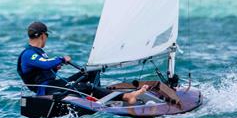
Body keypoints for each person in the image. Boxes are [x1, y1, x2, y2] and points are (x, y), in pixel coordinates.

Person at [16, 21, 148, 104]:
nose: (47, 39)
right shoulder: (28, 54)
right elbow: (45, 63)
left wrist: (55, 68)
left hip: (54, 84)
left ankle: (98, 99)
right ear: (43, 35)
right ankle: (126, 96)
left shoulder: (38, 52)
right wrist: (61, 59)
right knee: (87, 86)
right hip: (45, 89)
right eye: (47, 36)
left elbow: (43, 68)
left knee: (91, 72)